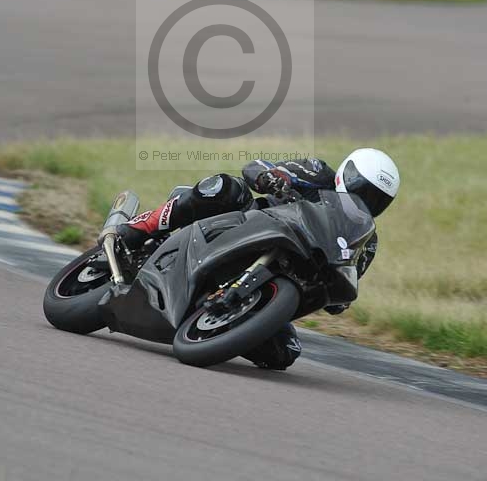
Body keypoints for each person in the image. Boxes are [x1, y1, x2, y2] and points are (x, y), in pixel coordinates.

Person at [105, 148, 400, 370]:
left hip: (286, 276)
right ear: (346, 175)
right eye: (362, 188)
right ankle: (140, 228)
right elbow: (256, 167)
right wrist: (271, 178)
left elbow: (345, 286)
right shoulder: (316, 172)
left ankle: (219, 327)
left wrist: (339, 294)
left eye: (377, 199)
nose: (367, 200)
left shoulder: (366, 241)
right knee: (225, 187)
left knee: (285, 352)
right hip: (244, 225)